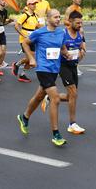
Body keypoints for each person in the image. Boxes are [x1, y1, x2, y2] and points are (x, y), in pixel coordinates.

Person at [17, 9, 70, 146]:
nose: (58, 19)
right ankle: (56, 134)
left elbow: (62, 47)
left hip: (54, 69)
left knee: (39, 96)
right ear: (48, 19)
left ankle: (24, 117)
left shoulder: (61, 32)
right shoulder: (39, 32)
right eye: (55, 17)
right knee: (56, 99)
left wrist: (67, 54)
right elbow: (25, 43)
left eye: (59, 17)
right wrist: (31, 58)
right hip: (43, 68)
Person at [41, 10, 86, 134]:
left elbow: (81, 46)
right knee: (73, 93)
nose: (80, 25)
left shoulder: (80, 33)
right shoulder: (62, 33)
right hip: (62, 65)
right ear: (70, 22)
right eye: (77, 23)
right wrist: (64, 53)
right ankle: (72, 124)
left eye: (81, 23)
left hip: (73, 65)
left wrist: (81, 52)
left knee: (71, 96)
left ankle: (50, 97)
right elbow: (55, 47)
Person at [12, 0, 40, 82]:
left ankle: (22, 74)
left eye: (35, 3)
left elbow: (36, 27)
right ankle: (17, 64)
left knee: (29, 60)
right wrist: (23, 35)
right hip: (25, 41)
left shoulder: (35, 15)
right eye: (32, 4)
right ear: (28, 5)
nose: (34, 5)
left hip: (33, 39)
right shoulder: (25, 15)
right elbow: (16, 26)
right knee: (31, 57)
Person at [64, 0, 85, 76]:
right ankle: (68, 67)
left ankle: (75, 66)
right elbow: (65, 21)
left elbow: (79, 20)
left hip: (79, 32)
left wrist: (80, 27)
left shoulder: (79, 8)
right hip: (71, 33)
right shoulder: (70, 9)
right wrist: (73, 25)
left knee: (82, 51)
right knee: (70, 51)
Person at [0, 0, 13, 69]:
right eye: (3, 0)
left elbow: (2, 23)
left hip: (1, 32)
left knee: (3, 51)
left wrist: (9, 21)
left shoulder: (5, 11)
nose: (4, 1)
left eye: (5, 0)